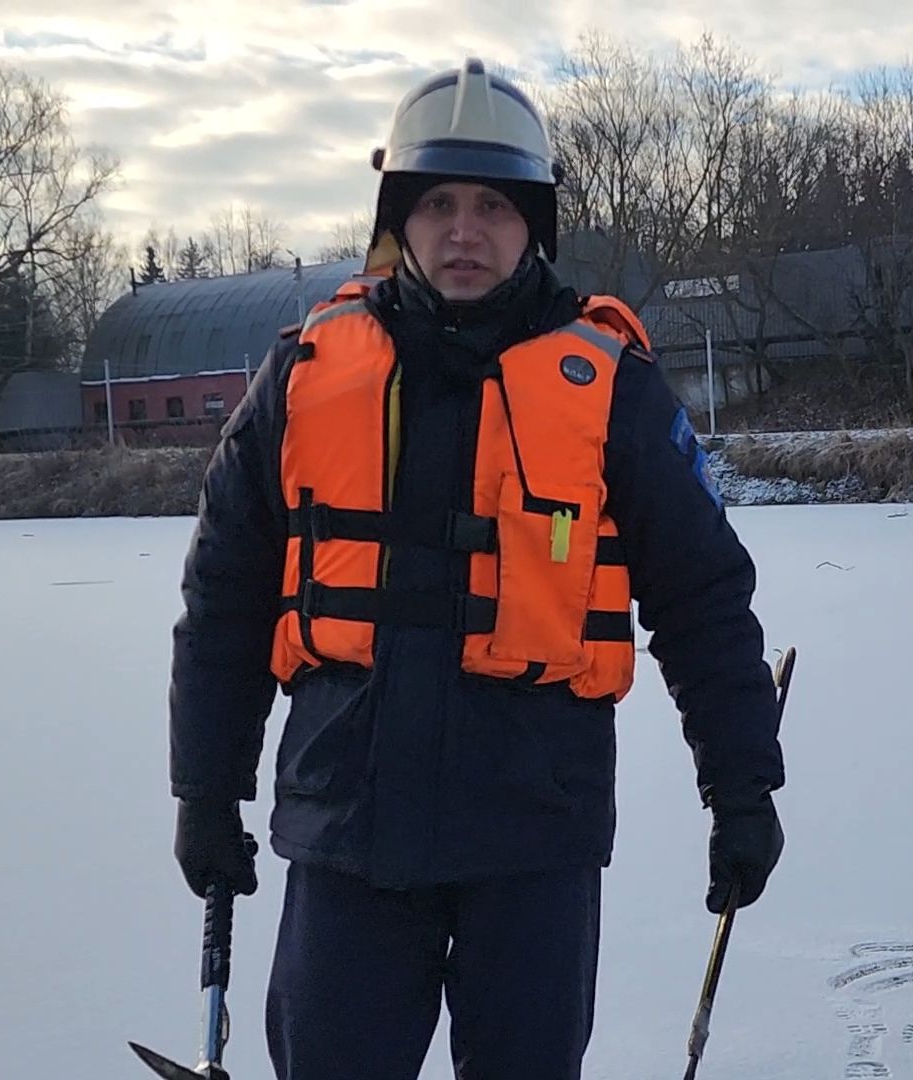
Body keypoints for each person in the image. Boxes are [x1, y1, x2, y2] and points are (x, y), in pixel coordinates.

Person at [165, 58, 787, 1080]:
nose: (465, 231)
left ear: (533, 221)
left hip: (533, 838)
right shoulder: (305, 375)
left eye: (494, 205)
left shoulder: (610, 388)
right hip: (348, 827)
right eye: (438, 203)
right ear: (398, 219)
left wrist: (742, 787)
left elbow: (704, 600)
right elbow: (224, 596)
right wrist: (205, 787)